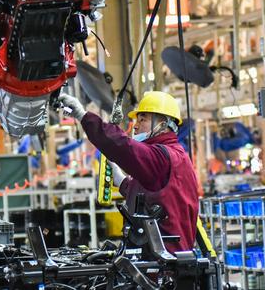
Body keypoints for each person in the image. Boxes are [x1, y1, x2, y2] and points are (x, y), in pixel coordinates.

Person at [59, 91, 199, 253]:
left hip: (165, 263)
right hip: (156, 256)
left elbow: (124, 146)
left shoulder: (163, 156)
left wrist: (83, 116)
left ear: (163, 123)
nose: (136, 126)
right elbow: (150, 194)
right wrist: (122, 181)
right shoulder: (167, 156)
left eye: (143, 119)